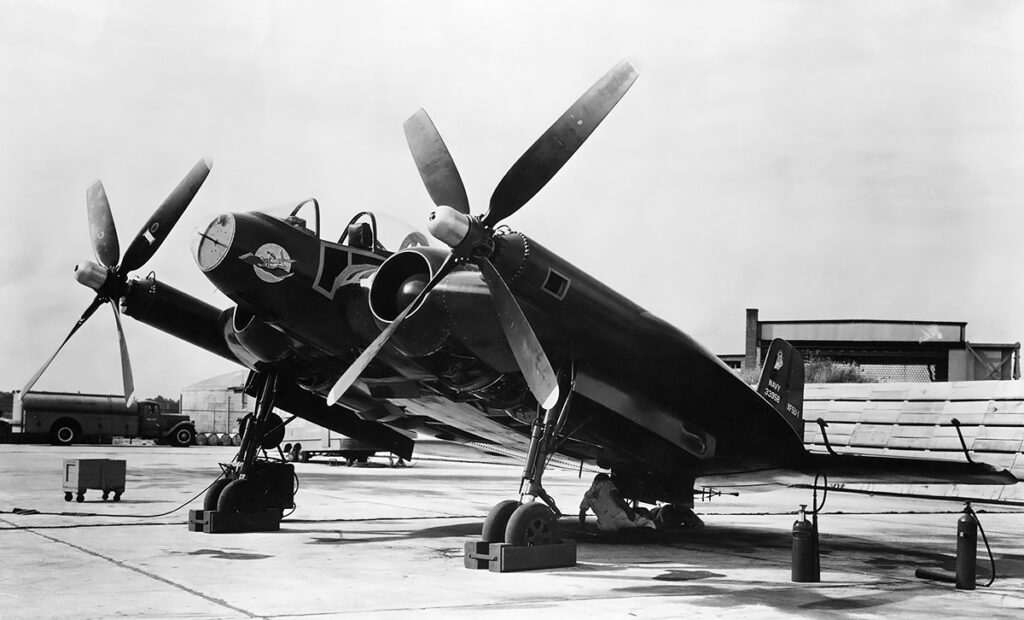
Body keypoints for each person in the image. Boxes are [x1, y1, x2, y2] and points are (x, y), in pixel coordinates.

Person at [578, 473, 656, 531]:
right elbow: (616, 498)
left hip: (606, 526)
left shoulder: (587, 495)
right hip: (619, 518)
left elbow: (582, 511)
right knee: (648, 524)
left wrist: (582, 527)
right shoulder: (607, 483)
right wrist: (629, 512)